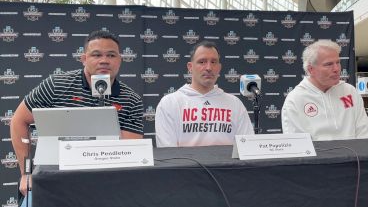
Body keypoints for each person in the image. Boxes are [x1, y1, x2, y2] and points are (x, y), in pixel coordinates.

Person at [10, 30, 143, 205]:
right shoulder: (56, 85)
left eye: (111, 55)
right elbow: (18, 121)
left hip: (105, 184)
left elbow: (128, 152)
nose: (104, 60)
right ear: (84, 58)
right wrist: (26, 173)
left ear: (120, 60)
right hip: (50, 179)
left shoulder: (131, 100)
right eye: (96, 55)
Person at [155, 40, 254, 147]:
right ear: (190, 67)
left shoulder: (235, 104)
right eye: (202, 62)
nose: (208, 68)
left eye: (213, 62)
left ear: (219, 67)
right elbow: (168, 153)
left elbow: (247, 148)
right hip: (185, 164)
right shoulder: (170, 103)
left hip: (228, 164)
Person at [281, 40, 368, 141]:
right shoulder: (295, 99)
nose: (336, 69)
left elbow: (364, 132)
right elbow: (297, 144)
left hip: (356, 155)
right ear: (311, 69)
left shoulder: (350, 91)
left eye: (338, 62)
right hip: (317, 156)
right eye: (328, 64)